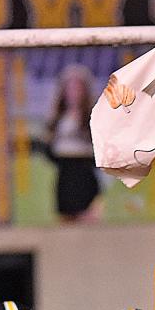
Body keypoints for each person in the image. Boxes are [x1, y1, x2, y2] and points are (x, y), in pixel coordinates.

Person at [47, 65, 101, 222]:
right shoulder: (57, 117)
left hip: (84, 174)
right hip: (65, 174)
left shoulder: (92, 116)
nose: (74, 92)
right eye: (70, 87)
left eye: (78, 87)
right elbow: (50, 146)